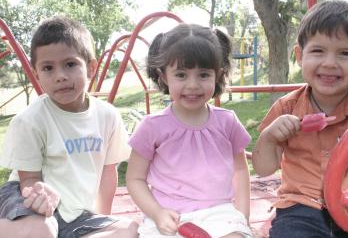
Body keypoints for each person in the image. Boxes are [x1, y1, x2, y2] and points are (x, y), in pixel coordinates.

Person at [252, 0, 348, 238]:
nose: (330, 63)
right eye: (318, 51)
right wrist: (270, 137)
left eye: (344, 53)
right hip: (301, 208)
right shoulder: (287, 107)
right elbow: (264, 168)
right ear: (300, 55)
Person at [0, 16, 138, 238]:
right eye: (48, 68)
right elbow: (28, 179)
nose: (60, 76)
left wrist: (100, 219)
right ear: (37, 75)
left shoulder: (108, 116)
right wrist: (39, 194)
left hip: (74, 213)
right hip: (28, 199)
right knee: (42, 229)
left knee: (128, 230)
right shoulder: (30, 120)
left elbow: (107, 173)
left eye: (70, 64)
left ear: (91, 68)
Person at [126, 23, 253, 237]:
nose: (193, 85)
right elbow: (135, 179)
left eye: (203, 75)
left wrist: (242, 218)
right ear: (164, 76)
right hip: (169, 215)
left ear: (218, 74)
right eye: (181, 75)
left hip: (219, 213)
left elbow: (240, 171)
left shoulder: (227, 121)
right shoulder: (152, 126)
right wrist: (157, 213)